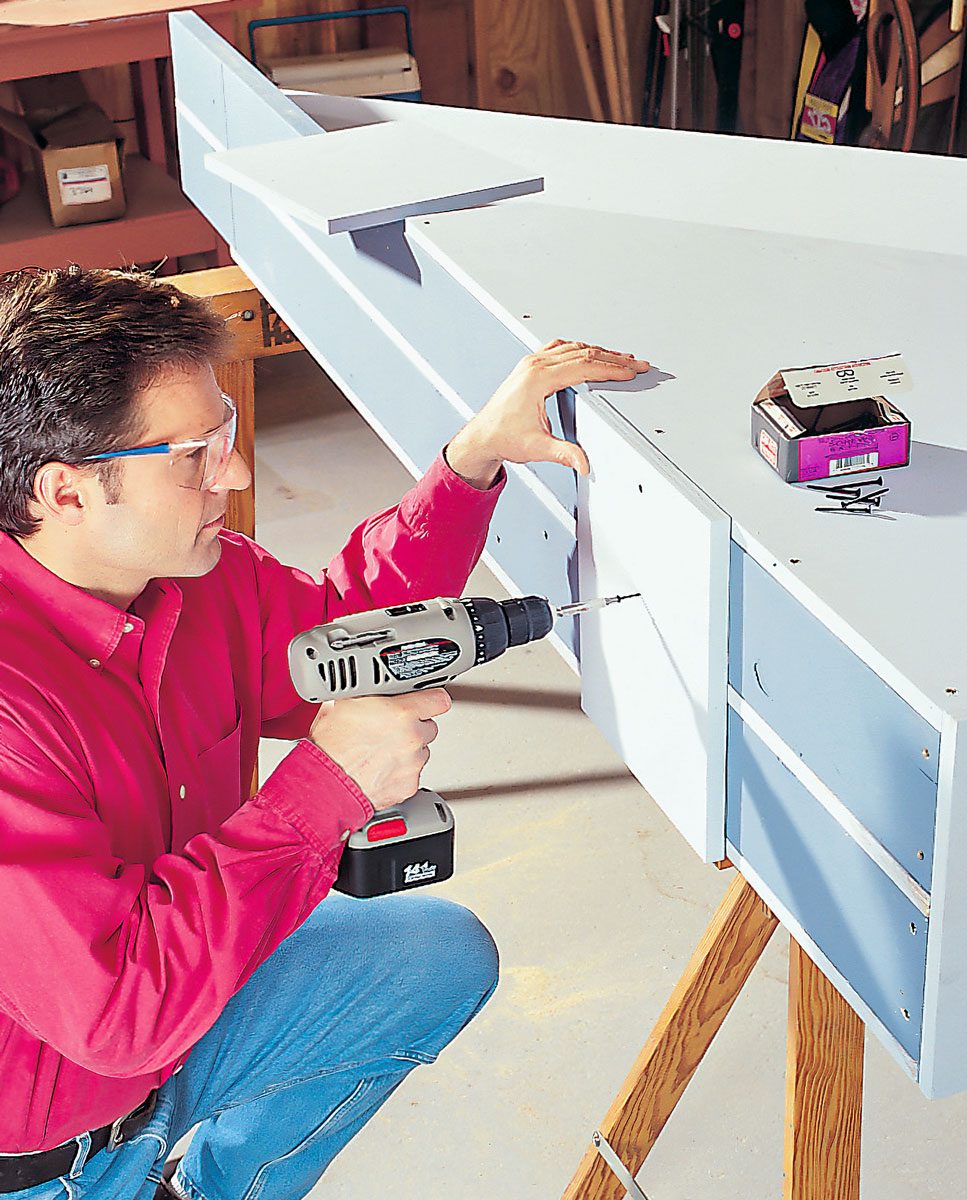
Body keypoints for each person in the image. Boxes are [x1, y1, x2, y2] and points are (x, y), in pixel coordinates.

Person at [0, 265, 649, 1200]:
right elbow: (118, 1010)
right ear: (66, 493)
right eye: (194, 455)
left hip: (177, 1032)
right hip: (51, 1146)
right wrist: (323, 790)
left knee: (433, 959)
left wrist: (468, 465)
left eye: (224, 433)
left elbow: (342, 635)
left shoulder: (190, 576)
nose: (236, 472)